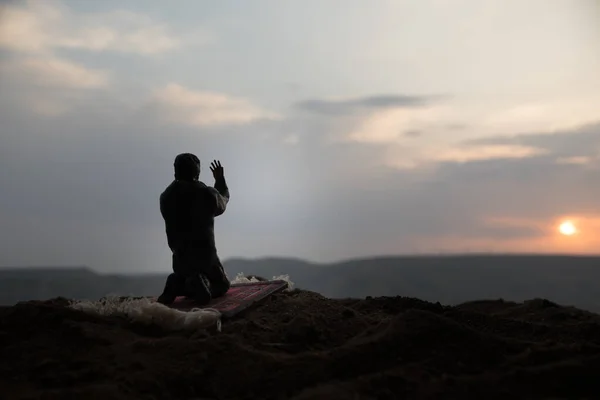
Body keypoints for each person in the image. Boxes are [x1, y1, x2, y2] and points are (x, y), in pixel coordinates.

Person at [157, 153, 231, 305]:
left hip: (180, 262)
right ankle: (200, 282)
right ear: (196, 172)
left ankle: (178, 282)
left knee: (184, 274)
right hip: (206, 260)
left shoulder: (165, 197)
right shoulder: (206, 193)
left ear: (175, 171)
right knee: (222, 285)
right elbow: (223, 200)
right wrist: (219, 180)